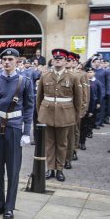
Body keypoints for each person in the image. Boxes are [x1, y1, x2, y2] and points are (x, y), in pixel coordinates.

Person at [0, 48, 34, 219]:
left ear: (17, 61)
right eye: (4, 59)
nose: (7, 62)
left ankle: (10, 206)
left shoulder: (24, 81)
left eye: (11, 59)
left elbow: (29, 107)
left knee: (13, 169)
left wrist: (26, 132)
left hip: (14, 128)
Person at [37, 49, 83, 182]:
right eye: (55, 58)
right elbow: (39, 98)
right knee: (49, 143)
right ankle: (50, 168)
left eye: (61, 58)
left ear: (65, 61)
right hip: (47, 113)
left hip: (65, 115)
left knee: (62, 144)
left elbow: (78, 99)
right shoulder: (45, 76)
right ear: (52, 60)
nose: (57, 60)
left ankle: (60, 169)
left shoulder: (73, 77)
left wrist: (76, 115)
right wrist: (40, 113)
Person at [79, 66, 100, 150]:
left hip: (86, 109)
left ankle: (82, 142)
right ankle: (77, 142)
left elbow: (92, 98)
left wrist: (91, 110)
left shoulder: (90, 84)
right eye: (87, 72)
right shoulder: (79, 83)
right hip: (77, 109)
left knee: (84, 126)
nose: (88, 74)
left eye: (90, 72)